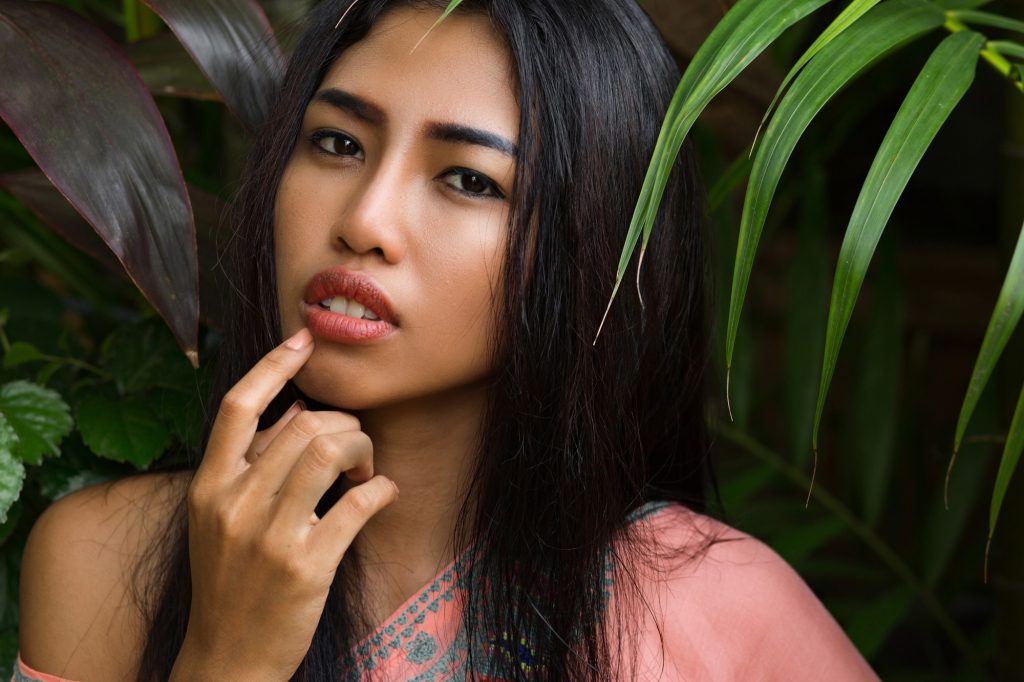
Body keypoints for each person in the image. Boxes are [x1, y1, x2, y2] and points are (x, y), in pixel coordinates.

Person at [13, 0, 879, 680]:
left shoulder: (711, 605)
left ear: (595, 244)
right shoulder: (102, 562)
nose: (365, 221)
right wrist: (226, 663)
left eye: (469, 178)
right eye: (338, 142)